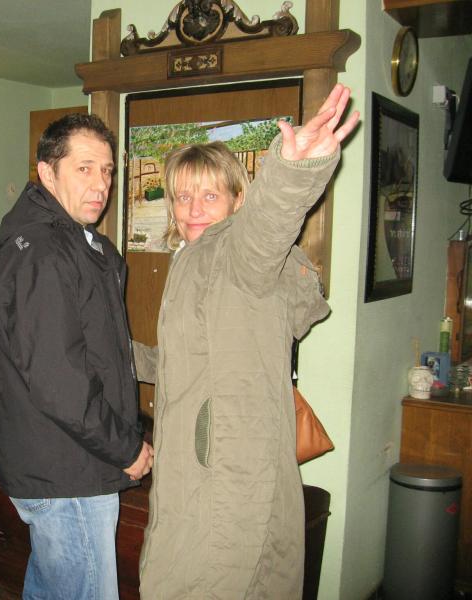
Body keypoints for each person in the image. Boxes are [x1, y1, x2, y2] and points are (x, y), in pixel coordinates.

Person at [134, 84, 360, 599]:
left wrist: (293, 170)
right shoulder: (193, 261)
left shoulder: (237, 253)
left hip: (222, 474)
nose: (193, 208)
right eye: (183, 196)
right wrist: (111, 351)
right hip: (210, 463)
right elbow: (188, 360)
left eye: (210, 195)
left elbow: (268, 224)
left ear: (239, 199)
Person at [0, 113, 153, 600]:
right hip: (66, 468)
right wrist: (125, 447)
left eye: (107, 170)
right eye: (84, 168)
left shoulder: (77, 242)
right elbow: (60, 379)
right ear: (47, 172)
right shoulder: (43, 251)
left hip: (63, 459)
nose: (101, 184)